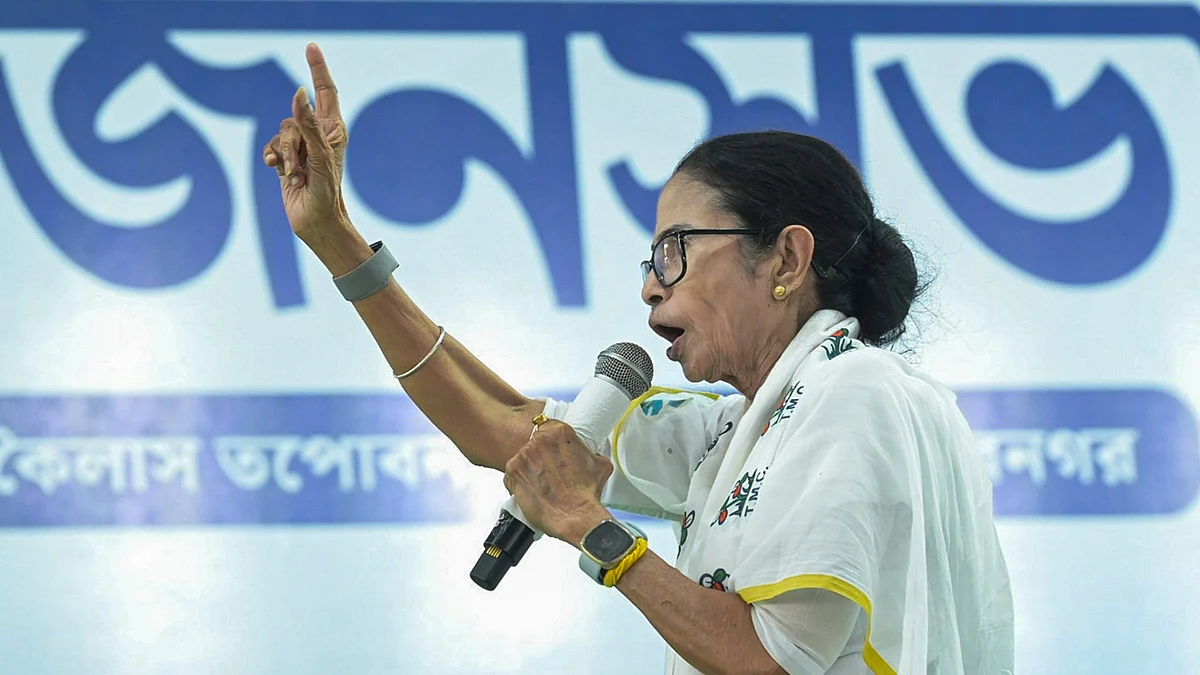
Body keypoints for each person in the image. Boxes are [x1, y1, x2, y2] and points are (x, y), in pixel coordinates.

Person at [263, 43, 1014, 675]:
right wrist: (337, 242)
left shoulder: (854, 390)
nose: (651, 285)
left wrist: (590, 524)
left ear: (786, 258)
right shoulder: (746, 425)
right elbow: (503, 428)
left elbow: (771, 661)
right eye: (652, 258)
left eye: (675, 249)